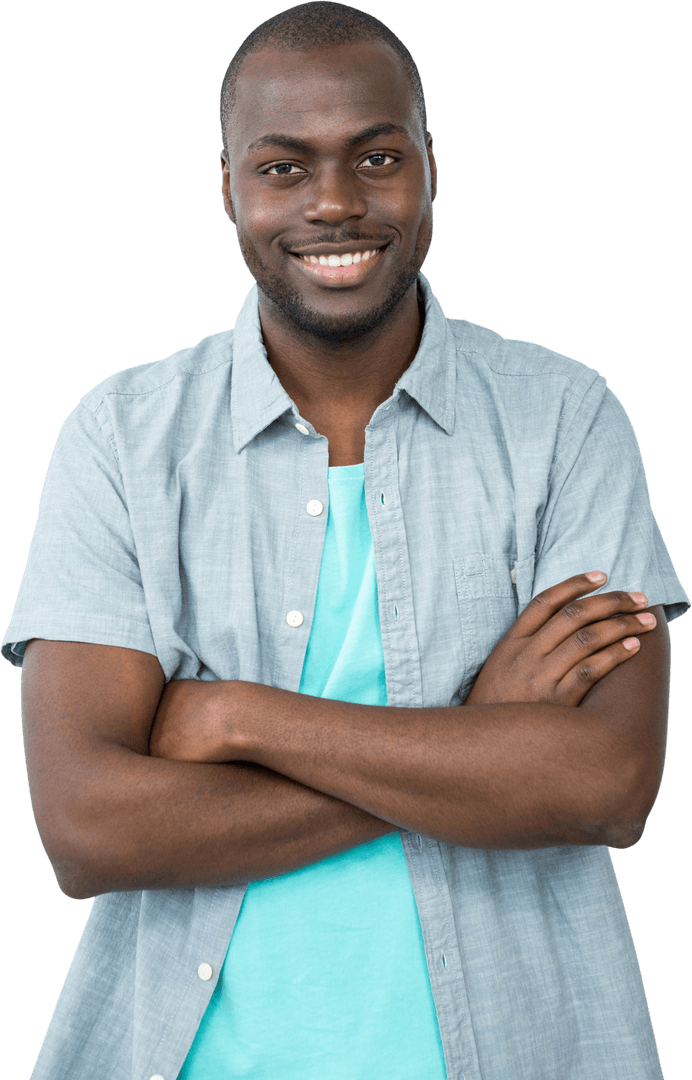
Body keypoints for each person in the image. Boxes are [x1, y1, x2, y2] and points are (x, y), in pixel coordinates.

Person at [3, 2, 688, 1078]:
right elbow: (88, 831)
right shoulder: (120, 439)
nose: (333, 202)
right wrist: (474, 744)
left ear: (428, 166)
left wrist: (233, 715)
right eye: (283, 167)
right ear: (225, 185)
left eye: (375, 156)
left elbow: (603, 786)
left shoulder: (566, 418)